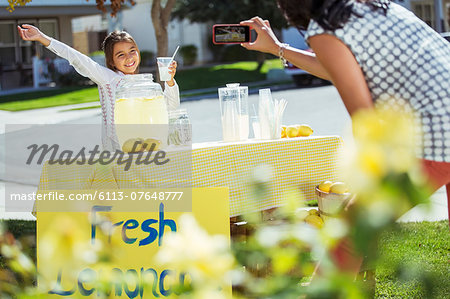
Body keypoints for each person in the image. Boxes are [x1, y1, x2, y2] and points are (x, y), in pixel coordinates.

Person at [240, 0, 450, 277]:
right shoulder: (376, 6)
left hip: (436, 133)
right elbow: (334, 70)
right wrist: (278, 48)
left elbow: (365, 119)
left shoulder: (324, 27)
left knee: (350, 237)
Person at [18, 24, 180, 150]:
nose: (129, 57)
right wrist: (43, 38)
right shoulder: (108, 79)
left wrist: (170, 81)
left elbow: (171, 107)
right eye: (120, 55)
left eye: (132, 51)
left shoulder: (146, 84)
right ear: (111, 61)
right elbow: (76, 58)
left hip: (147, 150)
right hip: (118, 153)